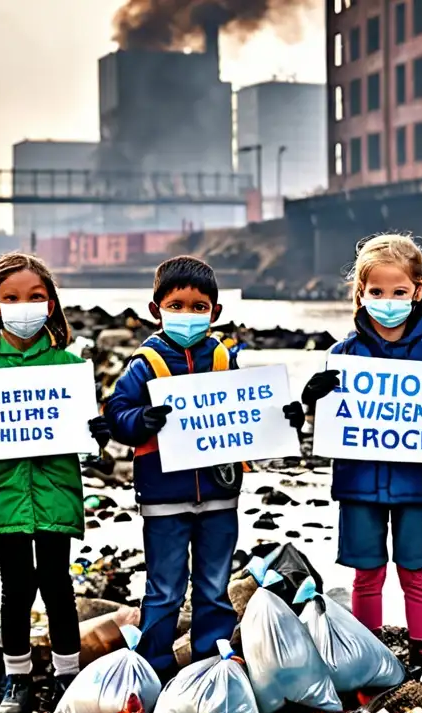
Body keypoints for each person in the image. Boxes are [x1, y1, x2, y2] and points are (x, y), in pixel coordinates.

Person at [104, 256, 305, 681]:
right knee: (163, 589)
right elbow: (116, 412)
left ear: (214, 312)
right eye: (177, 305)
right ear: (155, 309)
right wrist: (140, 421)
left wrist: (281, 417)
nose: (188, 315)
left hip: (219, 494)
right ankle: (155, 666)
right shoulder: (145, 364)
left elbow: (244, 414)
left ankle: (211, 662)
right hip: (163, 497)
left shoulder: (222, 359)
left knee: (214, 587)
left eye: (199, 307)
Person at [0, 252, 112, 713]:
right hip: (1, 494)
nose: (24, 305)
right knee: (15, 588)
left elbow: (88, 437)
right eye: (11, 297)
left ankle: (67, 676)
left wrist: (98, 434)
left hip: (55, 490)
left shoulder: (68, 366)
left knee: (58, 586)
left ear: (51, 304)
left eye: (35, 297)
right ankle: (16, 681)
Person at [301, 233, 422, 671]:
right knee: (367, 575)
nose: (388, 300)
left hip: (416, 485)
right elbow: (325, 422)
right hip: (358, 484)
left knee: (415, 571)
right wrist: (312, 400)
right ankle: (369, 653)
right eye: (377, 292)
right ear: (360, 294)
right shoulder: (340, 356)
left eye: (398, 292)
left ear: (417, 292)